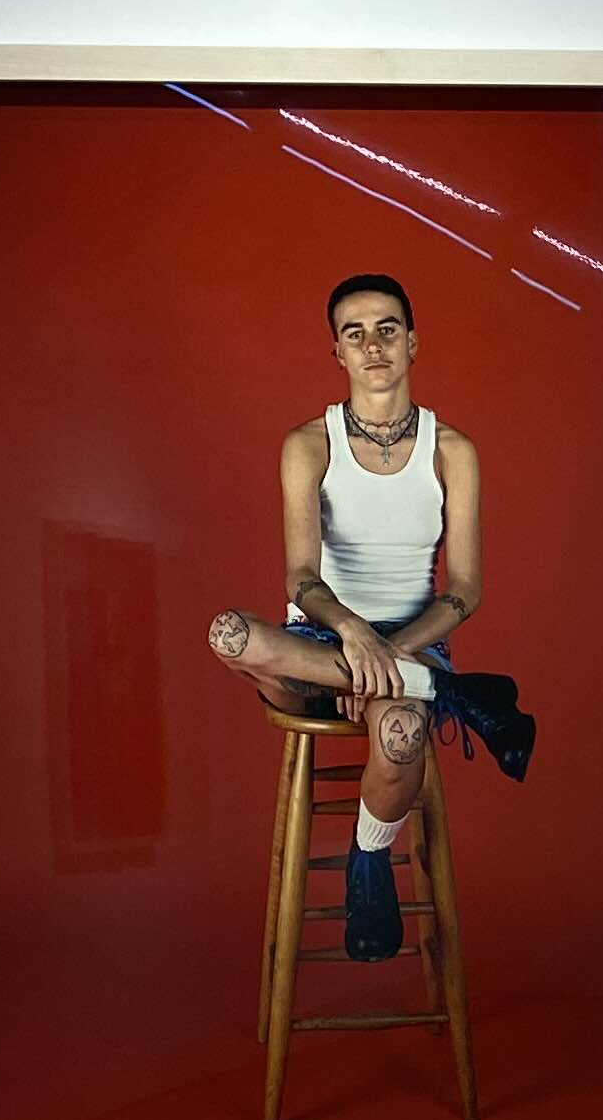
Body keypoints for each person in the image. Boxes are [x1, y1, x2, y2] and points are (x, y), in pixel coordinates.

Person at [204, 273, 535, 959]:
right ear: (337, 352)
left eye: (387, 329)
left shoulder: (452, 451)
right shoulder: (309, 443)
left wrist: (390, 654)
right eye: (354, 334)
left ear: (412, 342)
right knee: (230, 635)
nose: (373, 345)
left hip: (412, 642)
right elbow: (301, 576)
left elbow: (465, 588)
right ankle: (457, 696)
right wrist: (354, 636)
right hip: (318, 641)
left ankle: (368, 859)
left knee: (401, 735)